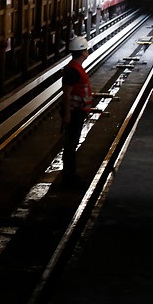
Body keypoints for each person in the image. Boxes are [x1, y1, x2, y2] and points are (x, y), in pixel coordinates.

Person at [60, 34, 93, 188]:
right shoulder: (73, 70)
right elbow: (66, 93)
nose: (87, 52)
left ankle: (69, 175)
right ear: (82, 53)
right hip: (74, 113)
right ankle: (69, 177)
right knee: (71, 145)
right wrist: (67, 114)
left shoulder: (75, 67)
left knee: (72, 144)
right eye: (86, 50)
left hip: (77, 112)